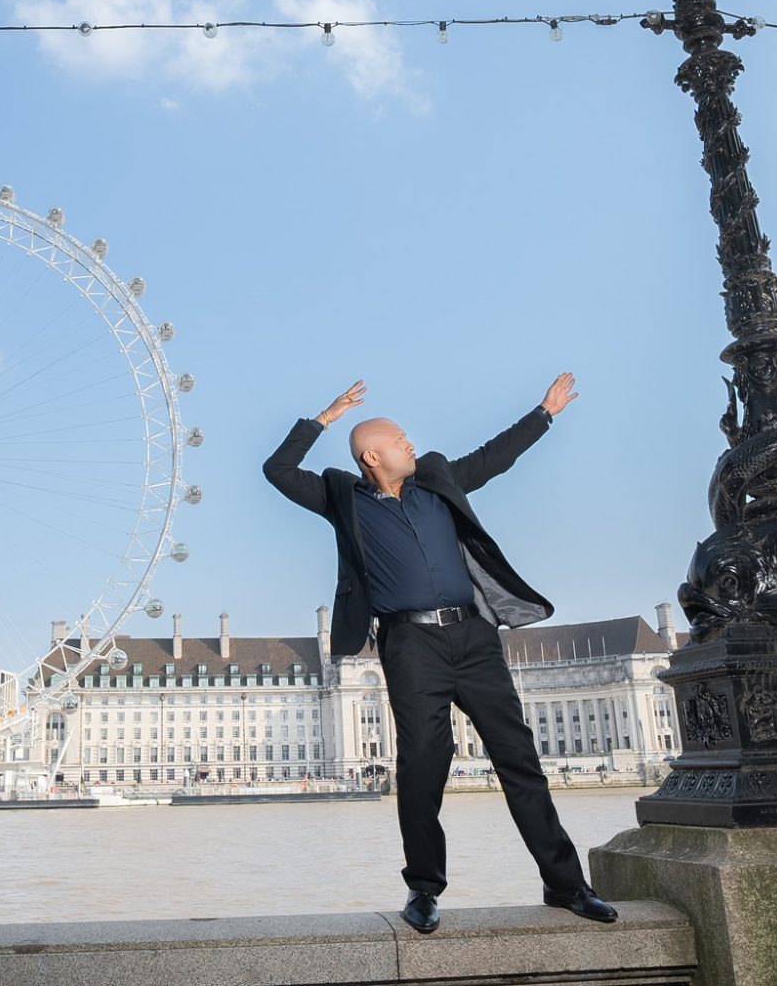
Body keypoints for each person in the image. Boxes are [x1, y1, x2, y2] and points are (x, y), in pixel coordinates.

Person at [262, 374, 618, 935]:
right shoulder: (341, 497)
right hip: (410, 645)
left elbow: (494, 458)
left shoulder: (436, 478)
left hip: (474, 638)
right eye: (399, 439)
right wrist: (323, 419)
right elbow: (277, 470)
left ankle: (566, 885)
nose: (410, 443)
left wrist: (543, 413)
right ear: (373, 456)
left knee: (519, 759)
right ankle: (424, 889)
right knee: (423, 767)